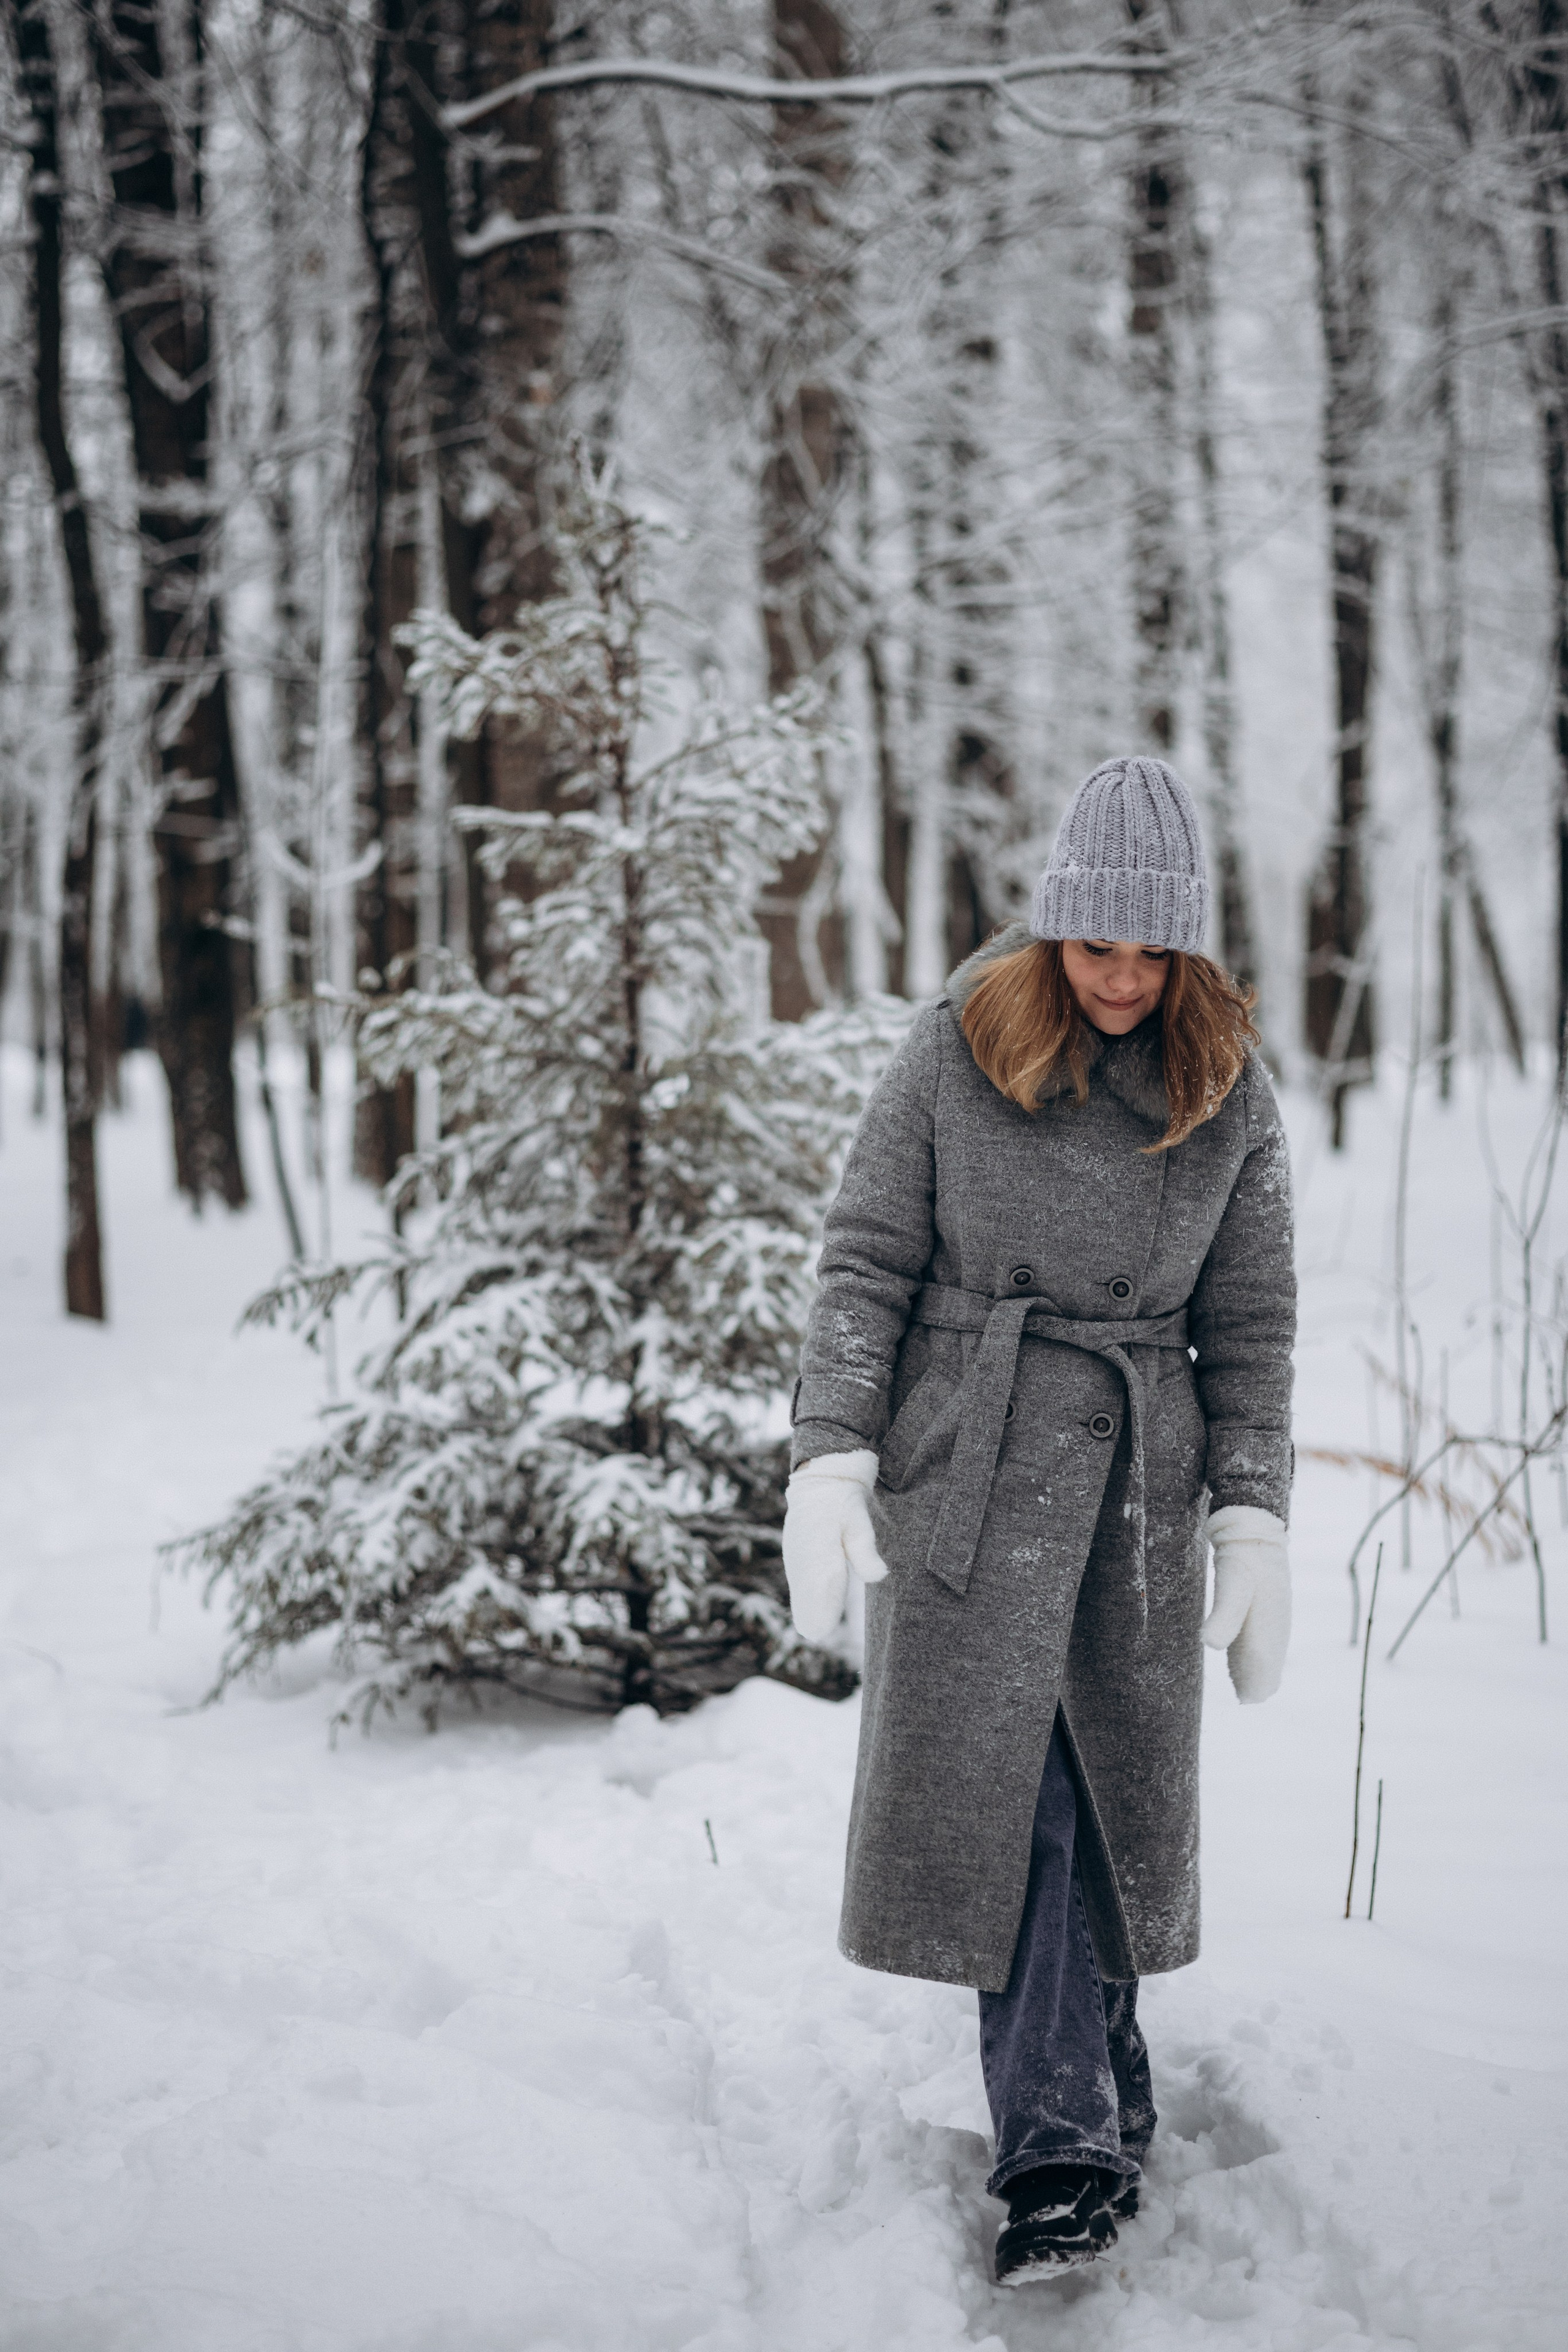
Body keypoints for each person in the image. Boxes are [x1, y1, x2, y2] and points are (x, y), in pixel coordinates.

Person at [781, 756, 1296, 2288]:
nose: (1121, 978)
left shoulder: (1226, 1085)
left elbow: (1250, 1325)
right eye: (1094, 945)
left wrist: (1251, 1516)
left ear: (1187, 949)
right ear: (1052, 928)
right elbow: (863, 1259)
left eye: (1151, 951)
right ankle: (1061, 2152)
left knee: (1096, 1797)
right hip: (969, 1467)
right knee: (1016, 1811)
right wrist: (830, 1456)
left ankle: (1094, 2092)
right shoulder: (955, 1044)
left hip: (1133, 1483)